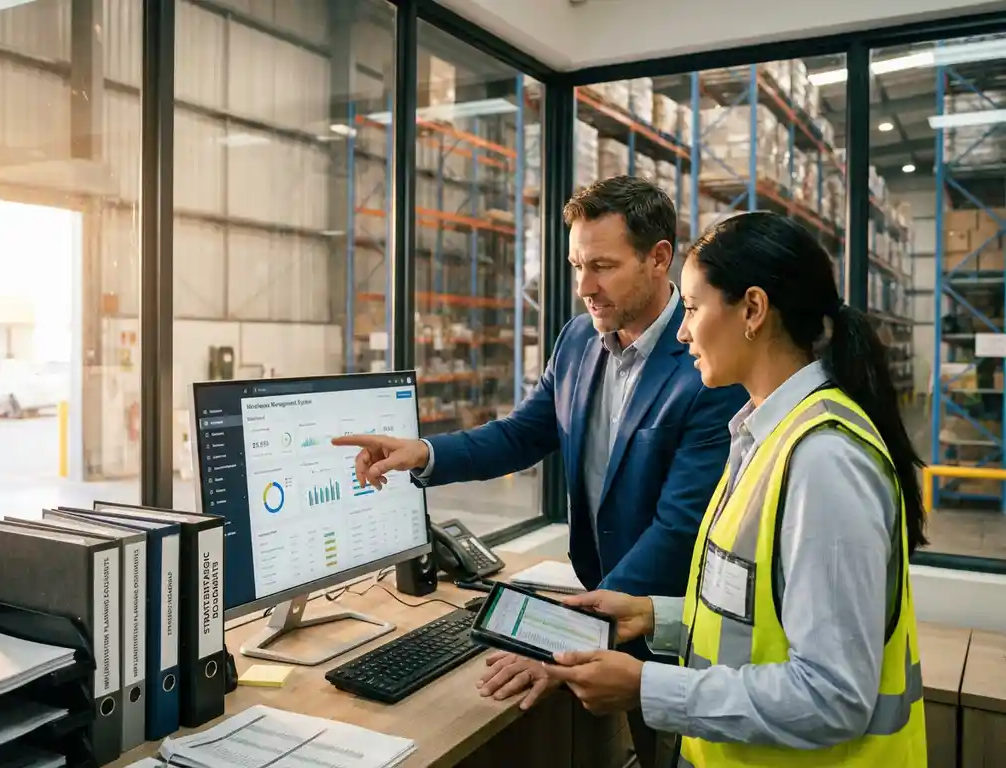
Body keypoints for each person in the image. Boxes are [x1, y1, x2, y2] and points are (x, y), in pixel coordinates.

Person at [333, 176, 746, 766]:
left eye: (602, 266)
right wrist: (423, 453)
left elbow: (678, 527)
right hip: (599, 600)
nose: (584, 287)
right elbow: (523, 434)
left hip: (667, 623)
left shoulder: (707, 361)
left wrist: (566, 637)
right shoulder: (578, 339)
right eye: (577, 265)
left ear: (659, 259)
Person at [539, 211, 928, 767]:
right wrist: (655, 615)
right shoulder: (763, 434)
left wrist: (648, 688)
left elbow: (833, 697)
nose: (681, 332)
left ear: (752, 310)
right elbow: (755, 616)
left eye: (692, 309)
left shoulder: (824, 461)